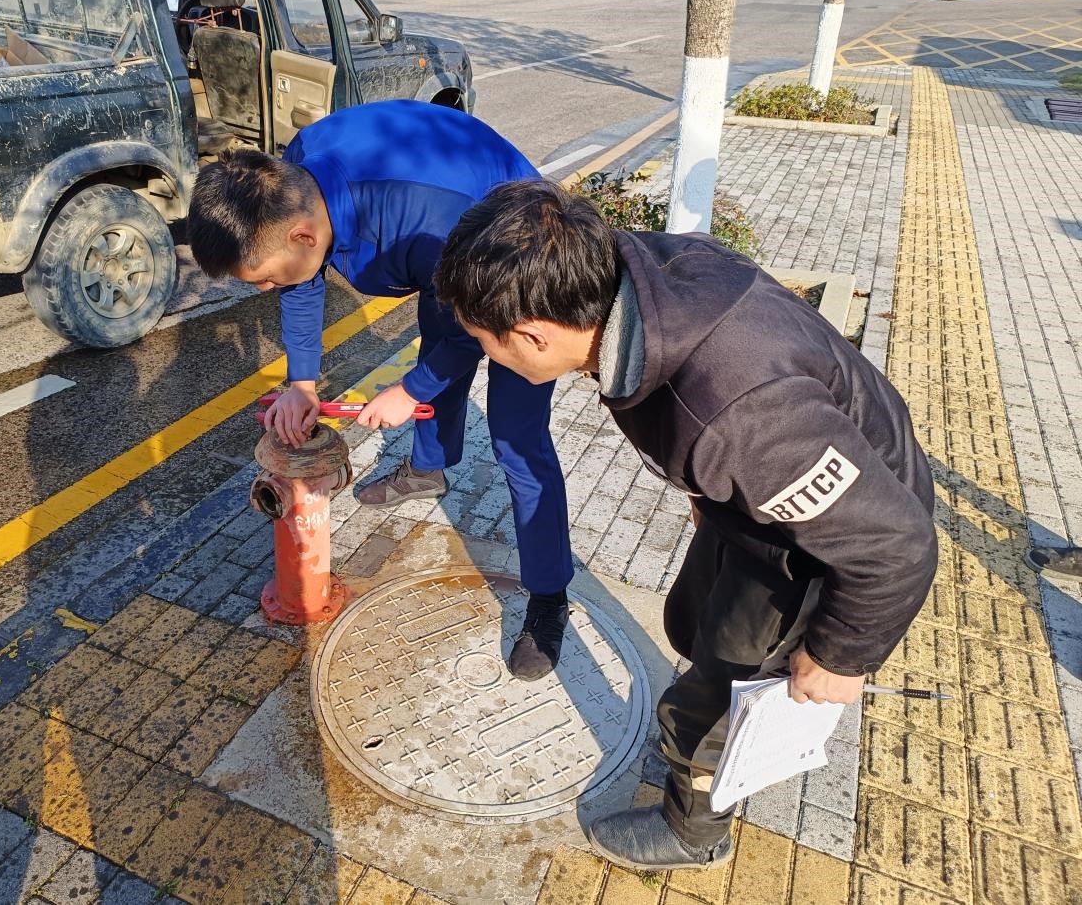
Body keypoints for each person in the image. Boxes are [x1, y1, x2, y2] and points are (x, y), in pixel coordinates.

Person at [434, 179, 938, 872]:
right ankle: (696, 741)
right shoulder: (632, 274)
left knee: (715, 701)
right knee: (693, 623)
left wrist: (841, 656)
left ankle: (693, 830)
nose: (488, 356)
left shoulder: (739, 418)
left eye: (483, 341)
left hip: (828, 547)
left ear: (532, 334)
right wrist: (708, 496)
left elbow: (896, 545)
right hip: (766, 504)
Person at [186, 102, 574, 679]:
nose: (266, 289)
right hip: (444, 260)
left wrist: (409, 390)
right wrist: (301, 384)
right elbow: (301, 279)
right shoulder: (291, 182)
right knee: (437, 336)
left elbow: (468, 335)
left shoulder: (426, 219)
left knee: (517, 438)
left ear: (303, 233)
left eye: (263, 277)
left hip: (514, 255)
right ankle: (427, 470)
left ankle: (548, 598)